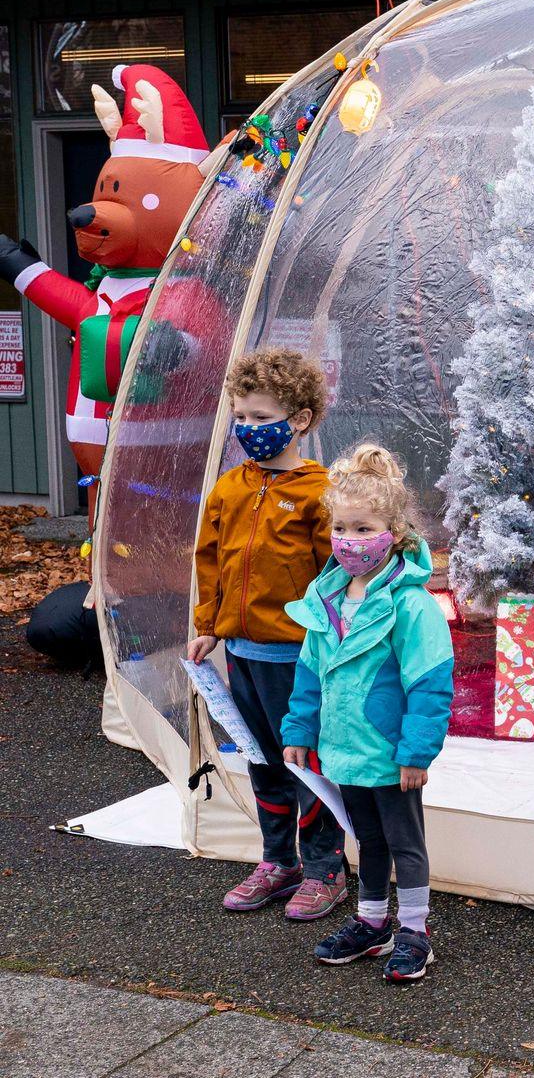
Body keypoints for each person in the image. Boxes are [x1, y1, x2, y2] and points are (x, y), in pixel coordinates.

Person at [281, 445, 454, 982]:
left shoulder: (412, 605)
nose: (350, 541)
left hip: (390, 751)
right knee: (368, 840)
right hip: (343, 748)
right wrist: (300, 729)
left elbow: (429, 684)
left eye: (364, 528)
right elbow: (310, 671)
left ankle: (415, 933)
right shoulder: (326, 598)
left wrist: (416, 751)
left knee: (406, 843)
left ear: (394, 532)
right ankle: (372, 921)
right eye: (342, 528)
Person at [188, 348, 346, 918]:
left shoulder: (320, 493)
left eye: (260, 417)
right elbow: (212, 560)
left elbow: (338, 575)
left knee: (303, 756)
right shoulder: (230, 487)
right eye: (241, 417)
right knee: (259, 756)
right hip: (240, 651)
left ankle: (326, 868)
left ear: (299, 420)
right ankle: (279, 861)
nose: (247, 428)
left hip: (298, 655)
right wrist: (209, 625)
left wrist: (336, 637)